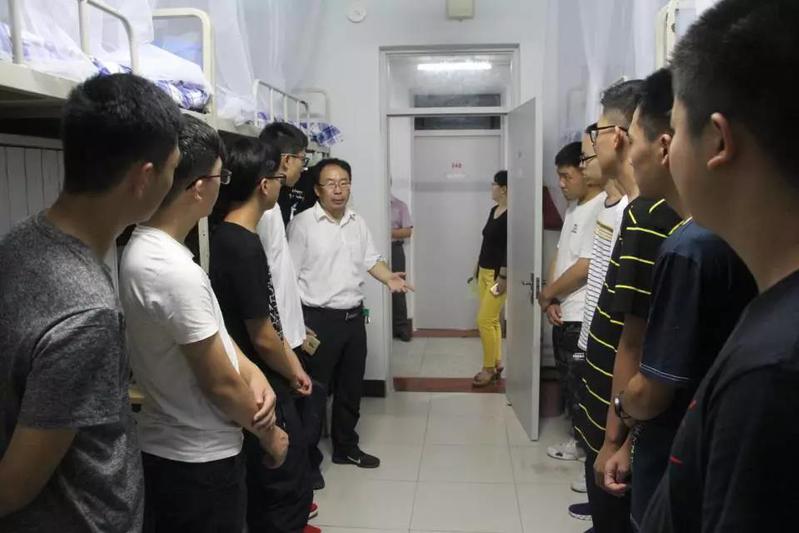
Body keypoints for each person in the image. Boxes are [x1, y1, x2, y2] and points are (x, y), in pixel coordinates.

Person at [642, 2, 799, 530]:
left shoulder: (771, 374)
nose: (667, 155)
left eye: (675, 132)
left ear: (717, 140)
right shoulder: (772, 308)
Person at [0, 73, 181, 531]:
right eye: (173, 169)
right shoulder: (87, 314)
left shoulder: (21, 240)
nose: (174, 183)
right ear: (144, 178)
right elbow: (13, 487)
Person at [602, 68, 757, 530]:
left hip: (679, 456)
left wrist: (621, 413)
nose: (630, 156)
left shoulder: (689, 248)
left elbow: (652, 390)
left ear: (665, 146)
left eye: (633, 141)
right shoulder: (727, 234)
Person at [120, 115, 288, 533]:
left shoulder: (151, 250)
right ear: (198, 188)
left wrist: (253, 372)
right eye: (220, 176)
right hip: (198, 462)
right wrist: (271, 436)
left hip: (178, 451)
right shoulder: (173, 271)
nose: (222, 185)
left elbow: (212, 337)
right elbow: (220, 385)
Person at [569, 80, 682, 531]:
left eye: (595, 131)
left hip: (619, 418)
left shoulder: (647, 217)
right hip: (610, 403)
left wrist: (616, 439)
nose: (592, 143)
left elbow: (634, 342)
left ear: (617, 136)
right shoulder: (635, 210)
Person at [210, 136, 318, 533]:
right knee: (283, 485)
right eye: (278, 178)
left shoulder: (230, 236)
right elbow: (262, 335)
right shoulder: (242, 245)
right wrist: (292, 370)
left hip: (260, 373)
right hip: (261, 379)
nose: (281, 184)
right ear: (263, 185)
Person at [288, 158, 412, 470]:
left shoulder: (357, 221)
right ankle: (308, 461)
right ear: (318, 190)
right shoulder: (302, 225)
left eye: (344, 183)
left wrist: (389, 278)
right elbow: (287, 278)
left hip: (353, 320)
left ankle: (346, 447)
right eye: (330, 183)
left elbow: (371, 259)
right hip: (317, 321)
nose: (338, 190)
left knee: (350, 388)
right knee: (314, 392)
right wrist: (297, 323)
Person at [539, 141, 605, 461]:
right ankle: (577, 441)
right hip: (563, 310)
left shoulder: (602, 208)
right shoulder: (574, 207)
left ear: (586, 172)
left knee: (581, 386)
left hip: (581, 314)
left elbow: (584, 267)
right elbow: (560, 255)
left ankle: (585, 450)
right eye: (559, 177)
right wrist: (551, 296)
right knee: (568, 382)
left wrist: (547, 293)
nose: (561, 184)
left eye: (567, 176)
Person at [472, 170, 509, 387]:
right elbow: (486, 241)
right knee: (492, 320)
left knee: (484, 320)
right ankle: (496, 362)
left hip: (498, 277)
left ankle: (487, 369)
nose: (491, 188)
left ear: (503, 189)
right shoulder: (494, 210)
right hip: (484, 273)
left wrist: (503, 276)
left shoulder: (511, 215)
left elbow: (509, 248)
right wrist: (476, 266)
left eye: (494, 184)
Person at [391, 194, 414, 341]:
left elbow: (407, 231)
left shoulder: (400, 205)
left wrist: (386, 231)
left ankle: (401, 328)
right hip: (375, 249)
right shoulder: (371, 203)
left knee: (398, 288)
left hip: (394, 249)